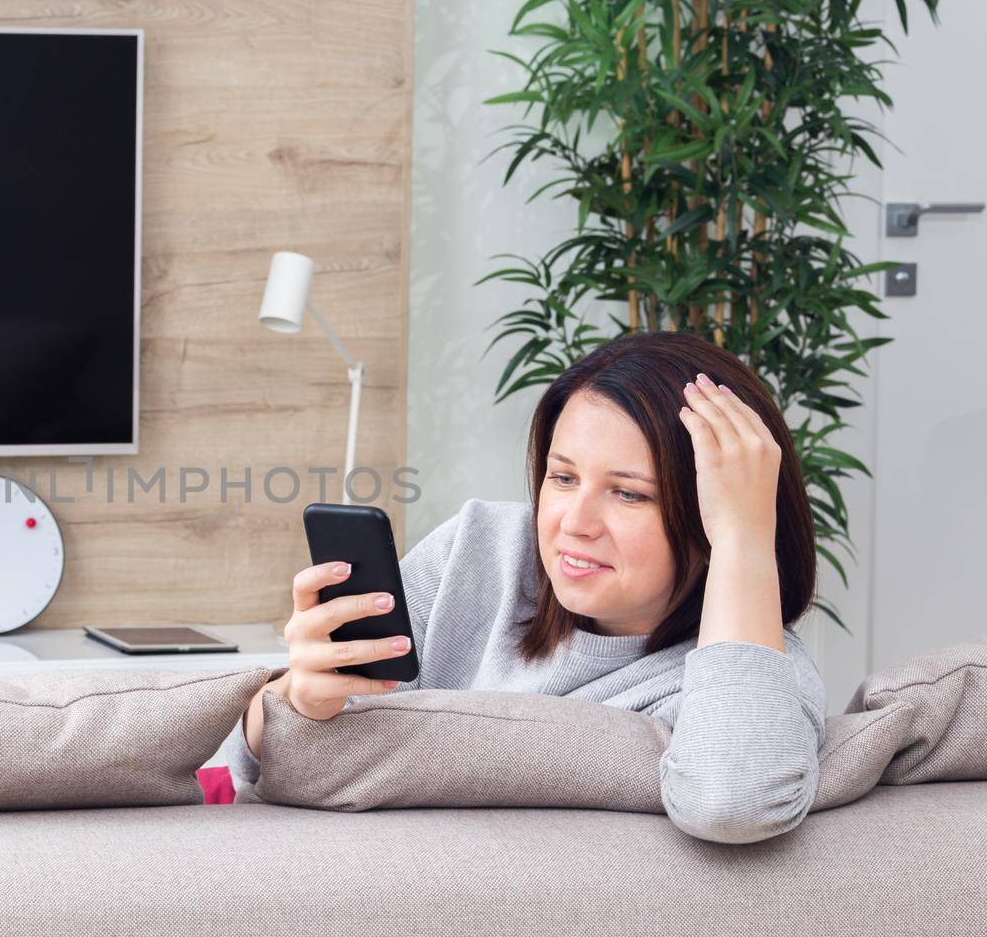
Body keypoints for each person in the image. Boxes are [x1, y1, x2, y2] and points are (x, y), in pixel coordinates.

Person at [222, 331, 827, 844]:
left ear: (712, 517)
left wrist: (746, 537)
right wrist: (292, 700)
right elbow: (262, 761)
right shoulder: (482, 549)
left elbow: (733, 801)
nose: (574, 523)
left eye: (629, 493)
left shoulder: (752, 683)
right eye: (562, 478)